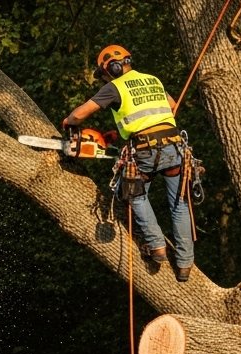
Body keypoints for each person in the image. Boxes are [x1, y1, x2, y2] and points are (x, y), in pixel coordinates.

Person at [63, 44, 196, 282]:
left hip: (145, 150)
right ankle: (185, 263)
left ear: (112, 68)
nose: (104, 77)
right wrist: (125, 132)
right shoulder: (152, 80)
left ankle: (156, 246)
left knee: (135, 195)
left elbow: (80, 115)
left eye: (104, 73)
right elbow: (173, 107)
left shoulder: (114, 87)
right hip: (174, 146)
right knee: (179, 204)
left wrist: (67, 122)